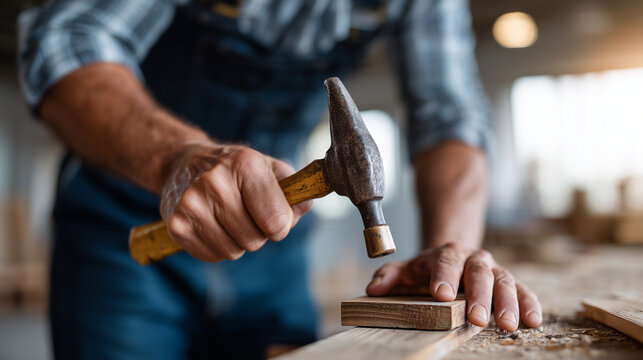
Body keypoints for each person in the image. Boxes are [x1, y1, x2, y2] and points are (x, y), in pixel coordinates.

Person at [18, 0, 542, 358]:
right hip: (127, 234)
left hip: (274, 234)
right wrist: (175, 157)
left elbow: (449, 117)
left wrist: (450, 252)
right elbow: (67, 39)